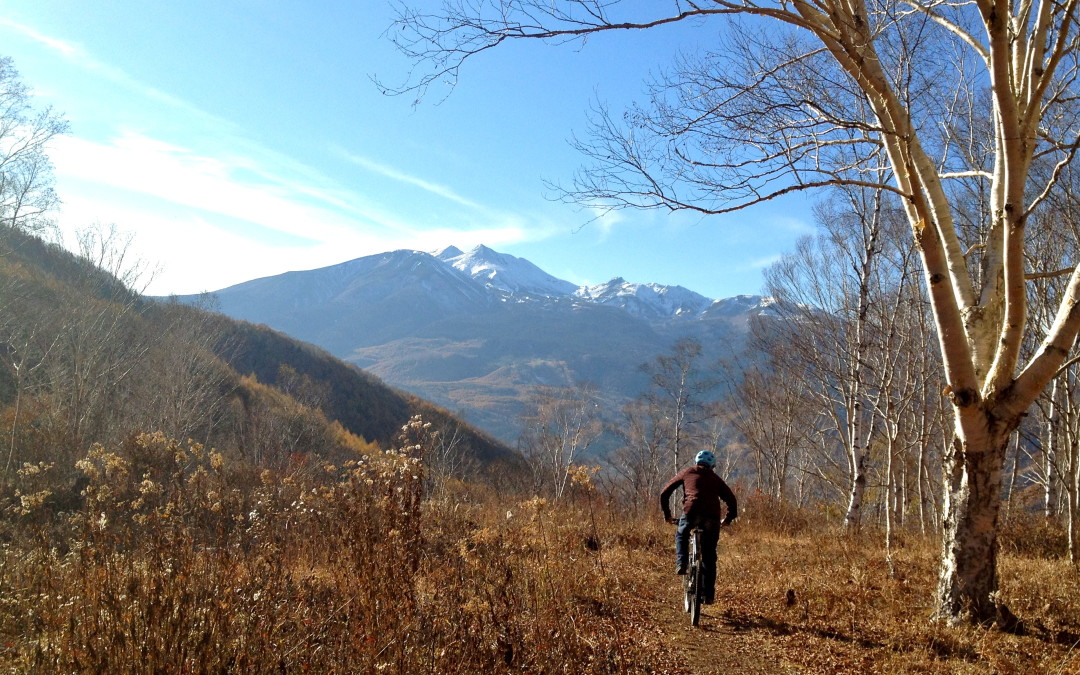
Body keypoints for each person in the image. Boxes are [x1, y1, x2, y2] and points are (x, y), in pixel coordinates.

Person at [659, 450, 737, 604]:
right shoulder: (716, 479)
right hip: (712, 518)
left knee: (681, 534)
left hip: (691, 512)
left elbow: (664, 493)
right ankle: (708, 595)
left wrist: (667, 514)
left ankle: (681, 563)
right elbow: (732, 501)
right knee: (709, 556)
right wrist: (727, 519)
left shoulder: (687, 472)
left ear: (696, 462)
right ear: (712, 466)